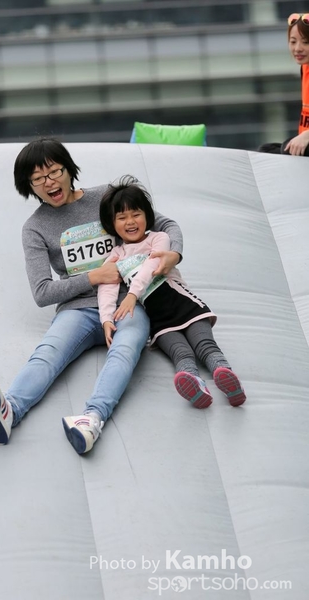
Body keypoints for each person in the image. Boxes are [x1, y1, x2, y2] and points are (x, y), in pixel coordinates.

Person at [0, 137, 183, 454]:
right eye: (38, 179)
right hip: (78, 309)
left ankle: (91, 420)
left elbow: (165, 223)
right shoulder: (34, 228)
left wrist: (174, 254)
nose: (49, 182)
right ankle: (10, 411)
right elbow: (42, 292)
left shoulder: (106, 196)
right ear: (29, 187)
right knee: (48, 353)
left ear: (69, 169)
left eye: (54, 172)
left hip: (127, 301)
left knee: (126, 350)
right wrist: (94, 277)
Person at [98, 176, 246, 409]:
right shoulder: (116, 255)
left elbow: (152, 266)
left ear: (147, 215)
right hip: (159, 320)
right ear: (112, 223)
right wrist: (106, 318)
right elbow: (107, 287)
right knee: (180, 353)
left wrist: (132, 294)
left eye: (136, 214)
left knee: (204, 345)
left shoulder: (159, 238)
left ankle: (226, 376)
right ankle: (195, 385)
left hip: (184, 305)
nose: (130, 222)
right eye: (122, 217)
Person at [258, 12, 309, 156]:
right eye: (293, 42)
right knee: (267, 151)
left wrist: (306, 136)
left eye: (305, 42)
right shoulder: (305, 67)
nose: (297, 48)